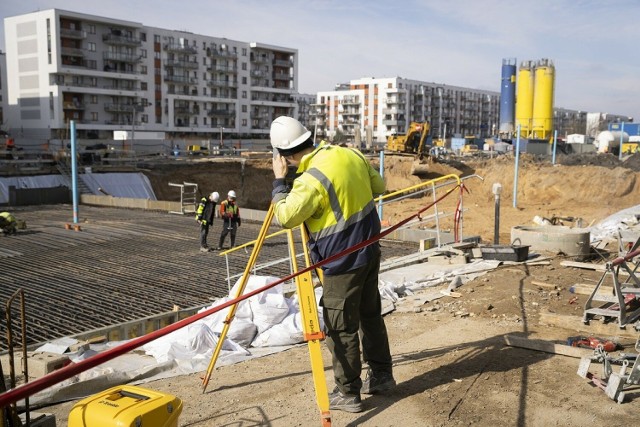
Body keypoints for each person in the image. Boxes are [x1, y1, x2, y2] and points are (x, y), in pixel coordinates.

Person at [269, 116, 395, 413]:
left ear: (283, 155)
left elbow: (286, 216)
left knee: (341, 325)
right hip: (369, 250)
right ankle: (381, 376)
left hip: (341, 261)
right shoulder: (350, 154)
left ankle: (348, 392)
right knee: (370, 315)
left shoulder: (309, 180)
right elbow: (379, 186)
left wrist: (279, 183)